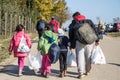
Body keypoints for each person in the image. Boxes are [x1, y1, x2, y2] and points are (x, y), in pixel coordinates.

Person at [68, 12, 99, 79]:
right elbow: (95, 30)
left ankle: (81, 73)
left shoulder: (73, 23)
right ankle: (87, 71)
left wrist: (71, 45)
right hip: (90, 42)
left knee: (80, 57)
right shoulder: (89, 21)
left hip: (79, 42)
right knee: (88, 57)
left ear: (74, 17)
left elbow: (71, 35)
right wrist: (97, 40)